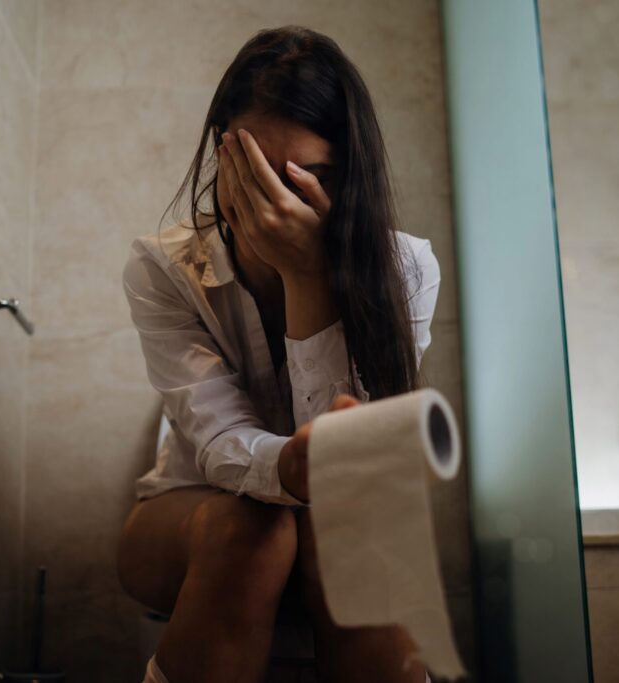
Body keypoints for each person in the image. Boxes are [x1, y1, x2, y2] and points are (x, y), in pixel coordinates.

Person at [117, 25, 441, 683]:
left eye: (305, 178)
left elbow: (348, 470)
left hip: (340, 527)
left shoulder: (406, 266)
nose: (276, 204)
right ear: (221, 151)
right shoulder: (164, 266)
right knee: (255, 532)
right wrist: (286, 468)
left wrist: (307, 276)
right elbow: (216, 439)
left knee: (351, 530)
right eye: (257, 173)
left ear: (346, 171)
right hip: (194, 508)